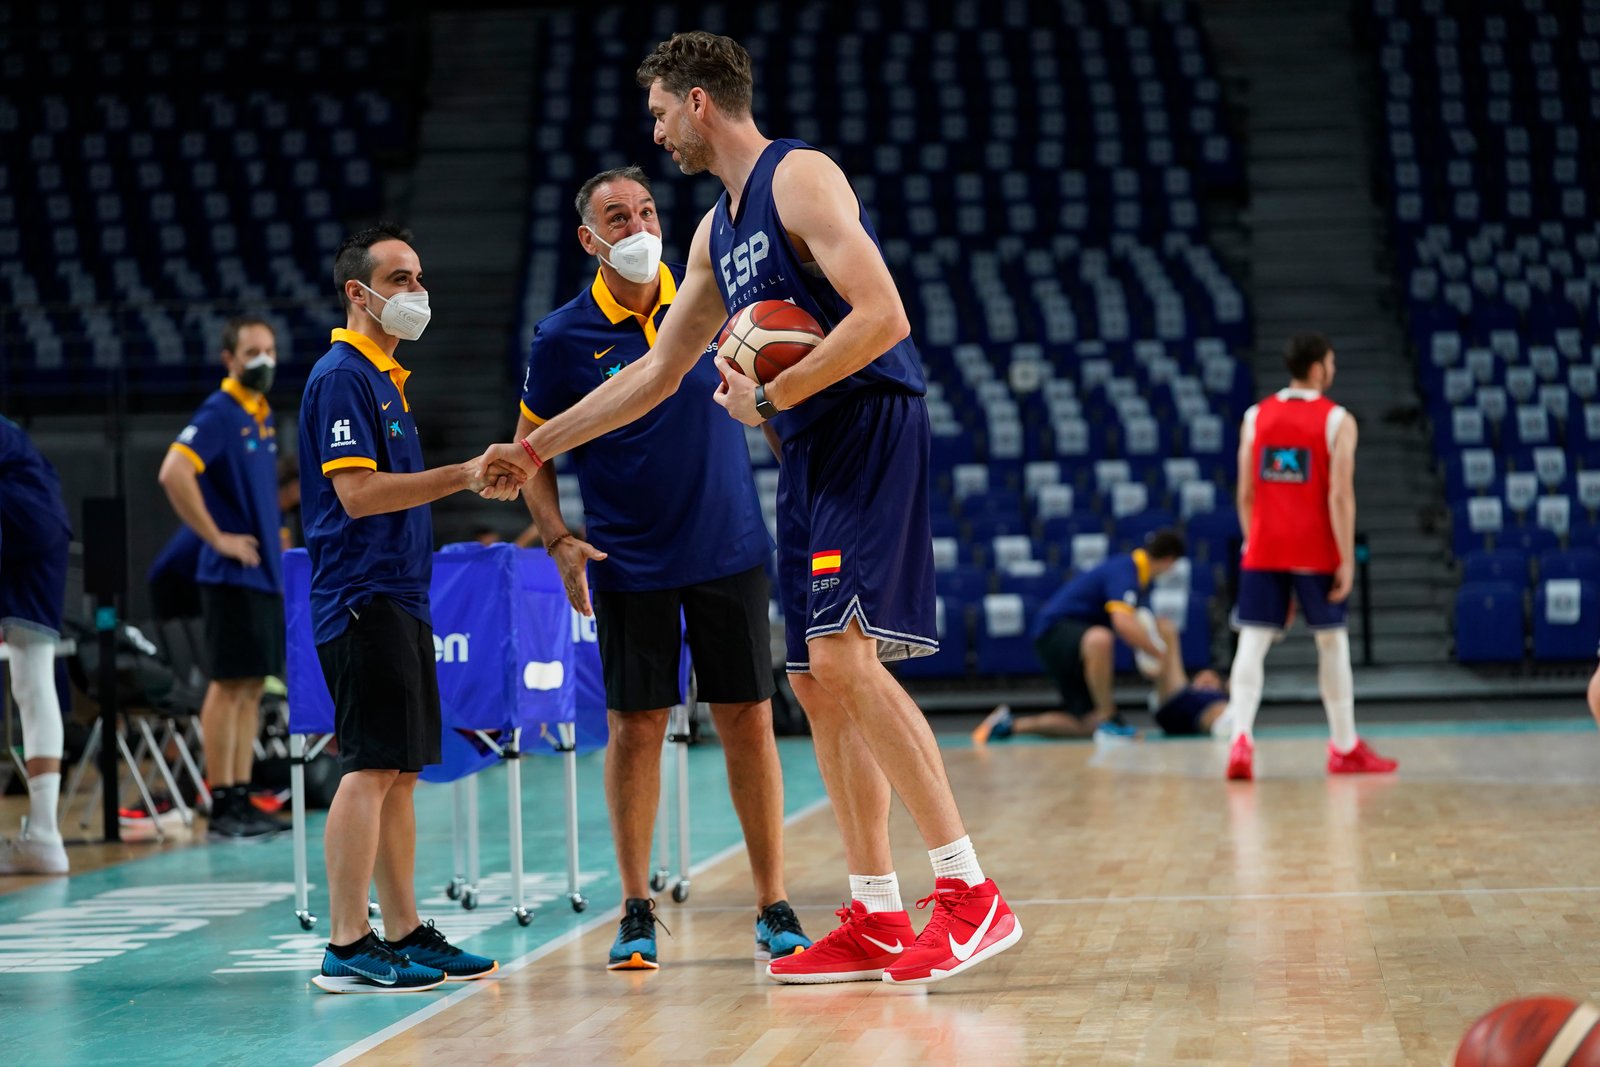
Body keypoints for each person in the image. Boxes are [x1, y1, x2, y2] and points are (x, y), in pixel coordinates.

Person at [485, 32, 1020, 987]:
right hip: (805, 448)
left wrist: (776, 392)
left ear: (698, 103)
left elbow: (884, 316)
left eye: (658, 113)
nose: (655, 134)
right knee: (814, 680)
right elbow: (656, 372)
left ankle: (969, 892)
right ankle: (878, 912)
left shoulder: (800, 179)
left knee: (849, 659)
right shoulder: (712, 232)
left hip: (869, 427)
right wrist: (535, 447)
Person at [516, 165, 809, 971]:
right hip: (628, 556)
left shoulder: (713, 303)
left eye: (647, 210)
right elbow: (530, 447)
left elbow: (775, 398)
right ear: (589, 239)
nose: (640, 226)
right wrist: (556, 537)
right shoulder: (563, 338)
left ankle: (773, 900)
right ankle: (636, 906)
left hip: (729, 547)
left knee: (748, 717)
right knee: (635, 728)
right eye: (619, 216)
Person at [299, 221, 518, 993]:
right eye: (399, 279)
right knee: (369, 765)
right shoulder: (341, 376)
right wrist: (462, 473)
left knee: (399, 772)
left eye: (420, 277)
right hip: (361, 595)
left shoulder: (387, 379)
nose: (416, 292)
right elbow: (356, 495)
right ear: (358, 293)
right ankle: (346, 940)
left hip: (399, 592)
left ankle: (402, 929)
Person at [1223, 332, 1398, 780]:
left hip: (1262, 548)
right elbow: (1340, 496)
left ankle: (1240, 737)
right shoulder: (1337, 420)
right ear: (1318, 368)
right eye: (1331, 364)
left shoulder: (1255, 416)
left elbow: (1245, 493)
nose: (1333, 371)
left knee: (1252, 643)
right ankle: (1343, 746)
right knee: (1331, 642)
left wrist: (1254, 542)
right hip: (1314, 549)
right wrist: (1345, 558)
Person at [156, 317, 286, 839]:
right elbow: (173, 471)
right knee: (226, 684)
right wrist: (216, 538)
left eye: (270, 350)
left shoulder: (261, 413)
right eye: (252, 351)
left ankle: (239, 794)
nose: (264, 361)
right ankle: (222, 802)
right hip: (229, 574)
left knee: (251, 686)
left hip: (262, 573)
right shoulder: (219, 412)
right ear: (228, 359)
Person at [973, 531, 1184, 745]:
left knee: (1087, 724)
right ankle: (1109, 718)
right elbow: (1123, 623)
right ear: (1169, 560)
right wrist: (1158, 652)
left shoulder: (1133, 572)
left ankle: (1006, 726)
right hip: (1056, 632)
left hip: (1067, 641)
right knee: (1100, 639)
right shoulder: (1127, 570)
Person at [0, 415, 73, 875]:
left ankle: (45, 834)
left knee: (32, 679)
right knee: (32, 679)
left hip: (24, 535)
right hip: (40, 537)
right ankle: (43, 834)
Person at [1144, 616, 1233, 738]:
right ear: (1193, 682)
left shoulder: (1221, 697)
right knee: (1166, 626)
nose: (1207, 679)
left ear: (1220, 686)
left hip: (1209, 714)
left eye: (1212, 679)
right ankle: (1151, 654)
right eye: (1202, 678)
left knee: (1226, 709)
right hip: (1174, 704)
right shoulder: (1186, 692)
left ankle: (1224, 724)